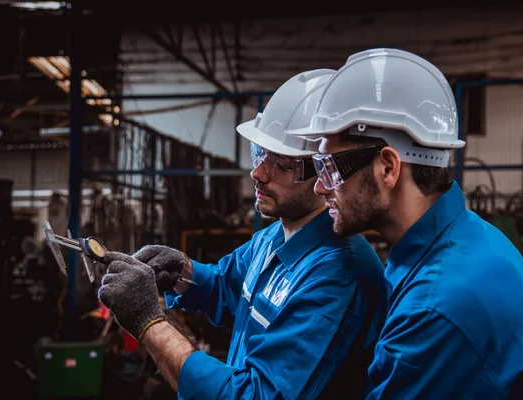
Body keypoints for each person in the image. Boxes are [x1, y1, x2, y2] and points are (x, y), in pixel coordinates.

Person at [98, 69, 388, 400]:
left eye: (283, 164)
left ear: (326, 171)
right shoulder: (274, 238)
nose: (258, 172)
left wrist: (148, 321)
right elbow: (226, 285)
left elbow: (255, 396)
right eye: (260, 152)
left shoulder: (337, 275)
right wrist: (179, 271)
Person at [291, 48, 523, 398]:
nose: (321, 186)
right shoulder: (464, 238)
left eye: (329, 167)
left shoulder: (437, 305)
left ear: (388, 167)